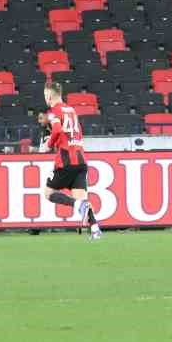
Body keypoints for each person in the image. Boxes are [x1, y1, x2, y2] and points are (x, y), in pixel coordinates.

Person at [41, 82, 101, 239]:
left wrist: (48, 145)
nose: (45, 97)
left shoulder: (54, 111)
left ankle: (77, 205)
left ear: (49, 95)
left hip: (66, 160)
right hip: (81, 160)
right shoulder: (72, 110)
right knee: (82, 199)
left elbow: (57, 130)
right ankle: (95, 228)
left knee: (49, 194)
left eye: (45, 95)